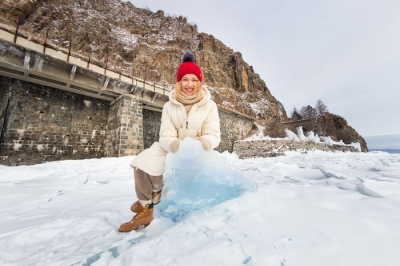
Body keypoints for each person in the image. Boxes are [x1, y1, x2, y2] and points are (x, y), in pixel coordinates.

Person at [119, 51, 221, 232]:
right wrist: (175, 145)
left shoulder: (209, 105)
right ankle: (148, 204)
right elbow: (165, 134)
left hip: (198, 150)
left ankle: (154, 194)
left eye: (194, 80)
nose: (189, 84)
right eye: (185, 79)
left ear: (199, 82)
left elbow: (213, 134)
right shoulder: (169, 105)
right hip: (174, 146)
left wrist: (202, 144)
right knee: (142, 162)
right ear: (179, 82)